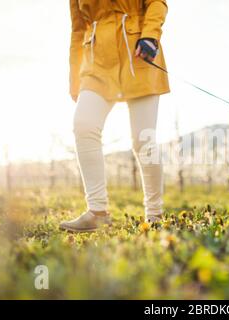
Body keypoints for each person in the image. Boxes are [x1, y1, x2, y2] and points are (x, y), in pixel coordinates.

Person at [60, 0, 169, 232]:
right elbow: (77, 29)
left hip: (139, 54)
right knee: (84, 125)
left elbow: (157, 3)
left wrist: (151, 35)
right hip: (96, 63)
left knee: (143, 139)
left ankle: (155, 215)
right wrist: (75, 79)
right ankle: (97, 211)